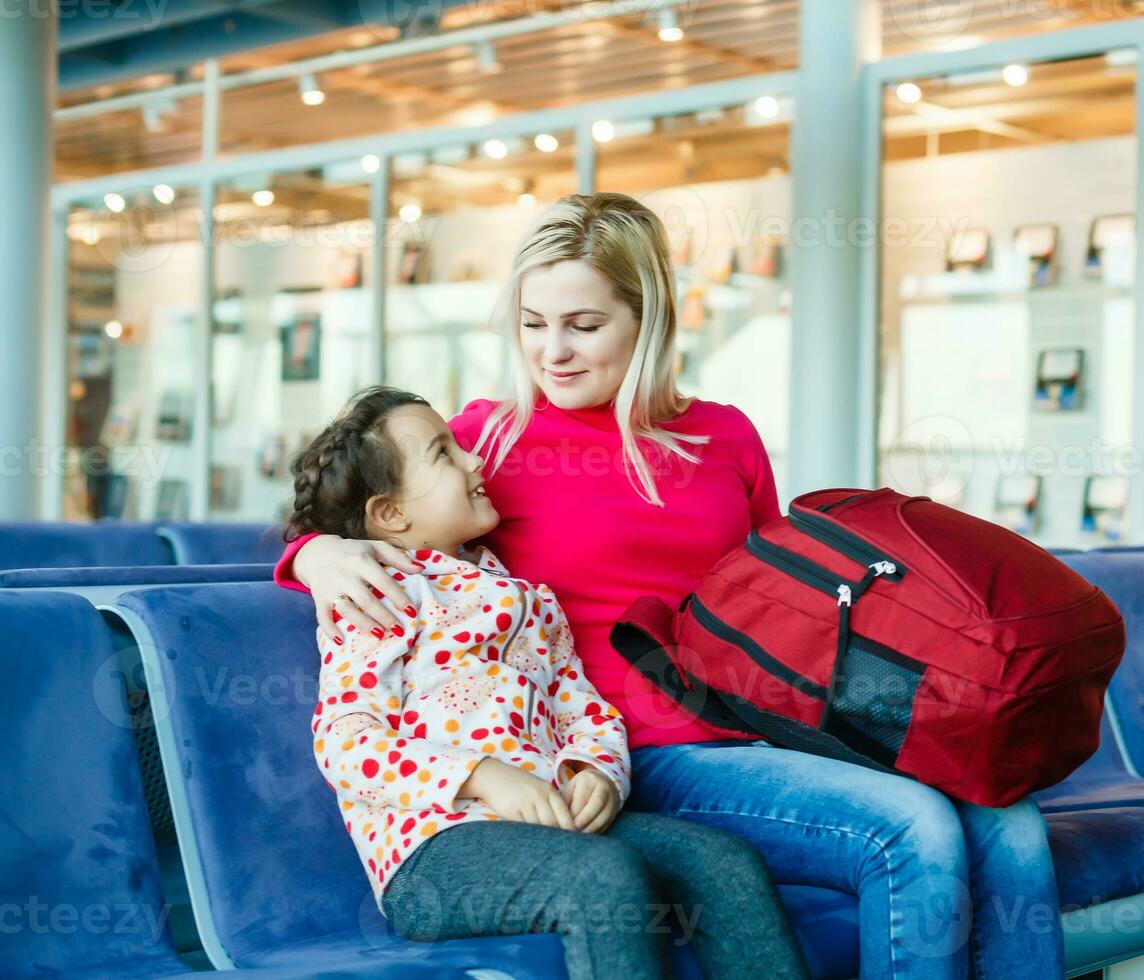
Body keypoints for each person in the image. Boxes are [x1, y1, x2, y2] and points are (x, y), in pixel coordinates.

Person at [277, 192, 1065, 979]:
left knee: (1010, 820)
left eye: (584, 325)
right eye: (532, 323)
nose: (553, 352)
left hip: (755, 733)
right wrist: (312, 554)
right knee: (910, 828)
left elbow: (781, 605)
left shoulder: (725, 436)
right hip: (631, 755)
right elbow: (379, 506)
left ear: (647, 316)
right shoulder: (491, 436)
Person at [288, 384, 810, 980]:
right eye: (444, 454)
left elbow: (582, 705)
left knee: (722, 862)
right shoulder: (378, 597)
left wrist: (598, 772)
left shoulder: (527, 598)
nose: (474, 459)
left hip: (550, 825)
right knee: (604, 878)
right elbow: (345, 742)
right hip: (435, 850)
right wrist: (483, 776)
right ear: (390, 514)